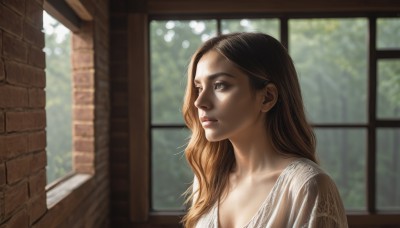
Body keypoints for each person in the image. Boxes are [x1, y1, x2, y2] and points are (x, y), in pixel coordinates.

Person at [181, 32, 348, 228]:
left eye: (219, 85)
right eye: (199, 88)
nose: (200, 102)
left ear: (267, 97)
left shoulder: (307, 186)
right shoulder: (207, 181)